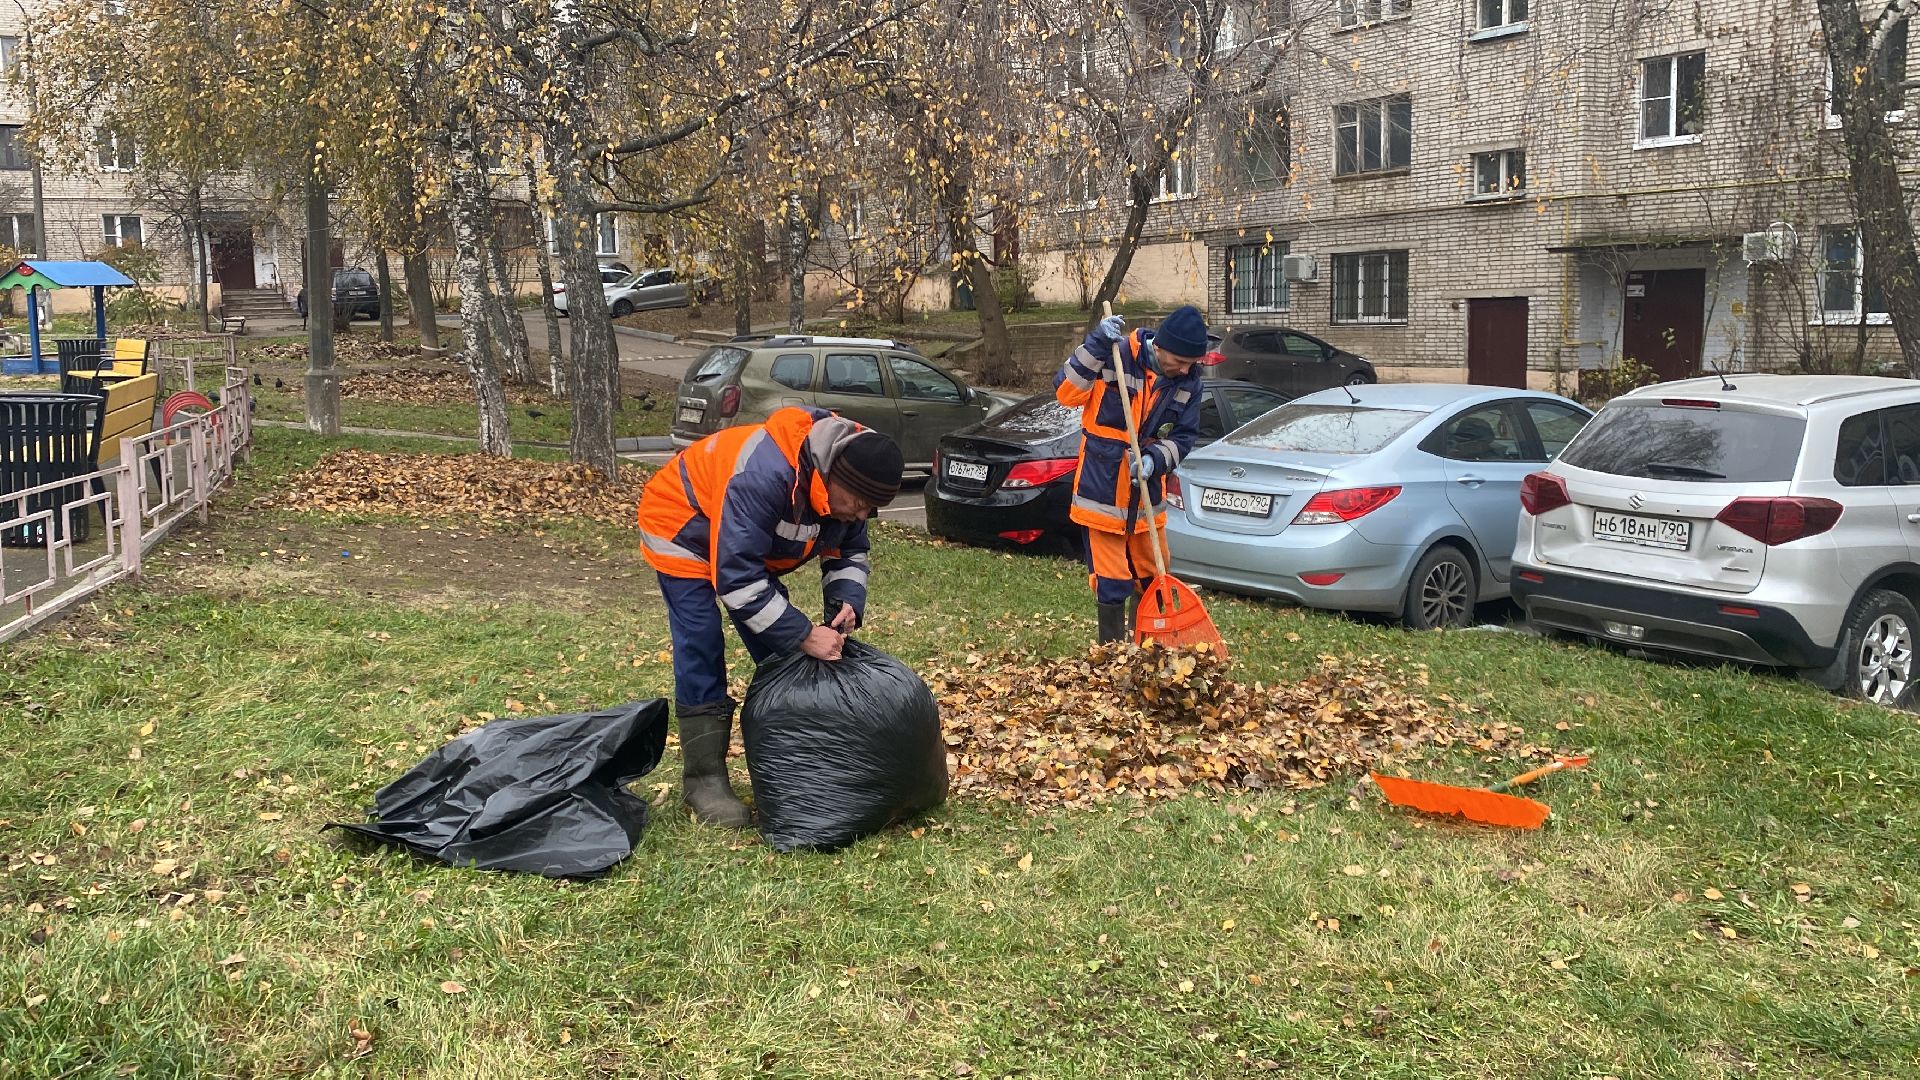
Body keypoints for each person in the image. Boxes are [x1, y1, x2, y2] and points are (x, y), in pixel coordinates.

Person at [637, 406, 904, 827]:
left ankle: (807, 755)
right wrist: (803, 634)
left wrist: (845, 602)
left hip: (741, 545)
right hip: (683, 524)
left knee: (781, 652)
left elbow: (848, 551)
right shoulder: (764, 474)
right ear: (833, 476)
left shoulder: (853, 481)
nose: (858, 515)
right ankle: (703, 780)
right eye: (856, 503)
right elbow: (738, 582)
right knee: (702, 639)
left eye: (869, 509)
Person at [1055, 305, 1218, 644]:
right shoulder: (1114, 355)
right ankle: (1112, 656)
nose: (1186, 369)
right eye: (1181, 360)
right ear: (1161, 345)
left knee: (1154, 578)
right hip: (1101, 492)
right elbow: (1066, 392)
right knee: (1112, 580)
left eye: (1191, 363)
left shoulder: (1187, 383)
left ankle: (1149, 650)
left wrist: (1155, 459)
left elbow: (1183, 438)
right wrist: (1097, 343)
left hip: (1147, 498)